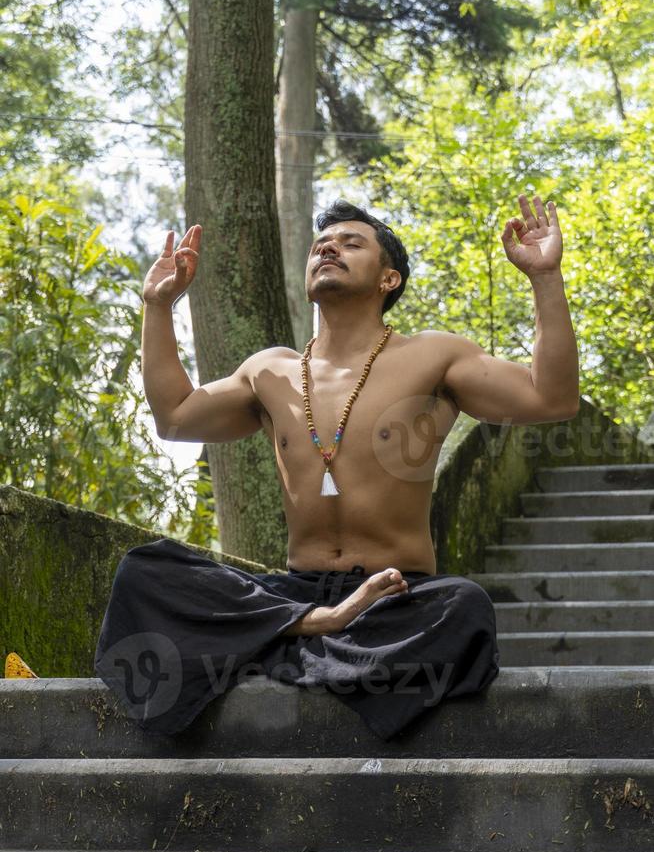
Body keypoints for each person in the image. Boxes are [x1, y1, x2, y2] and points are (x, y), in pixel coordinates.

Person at [94, 195, 579, 740]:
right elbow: (176, 418)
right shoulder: (268, 370)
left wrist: (544, 277)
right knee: (145, 570)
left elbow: (550, 399)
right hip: (295, 597)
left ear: (388, 279)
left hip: (394, 602)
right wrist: (157, 306)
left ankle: (284, 647)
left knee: (464, 607)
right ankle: (314, 631)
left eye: (352, 243)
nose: (329, 247)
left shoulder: (435, 356)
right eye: (322, 244)